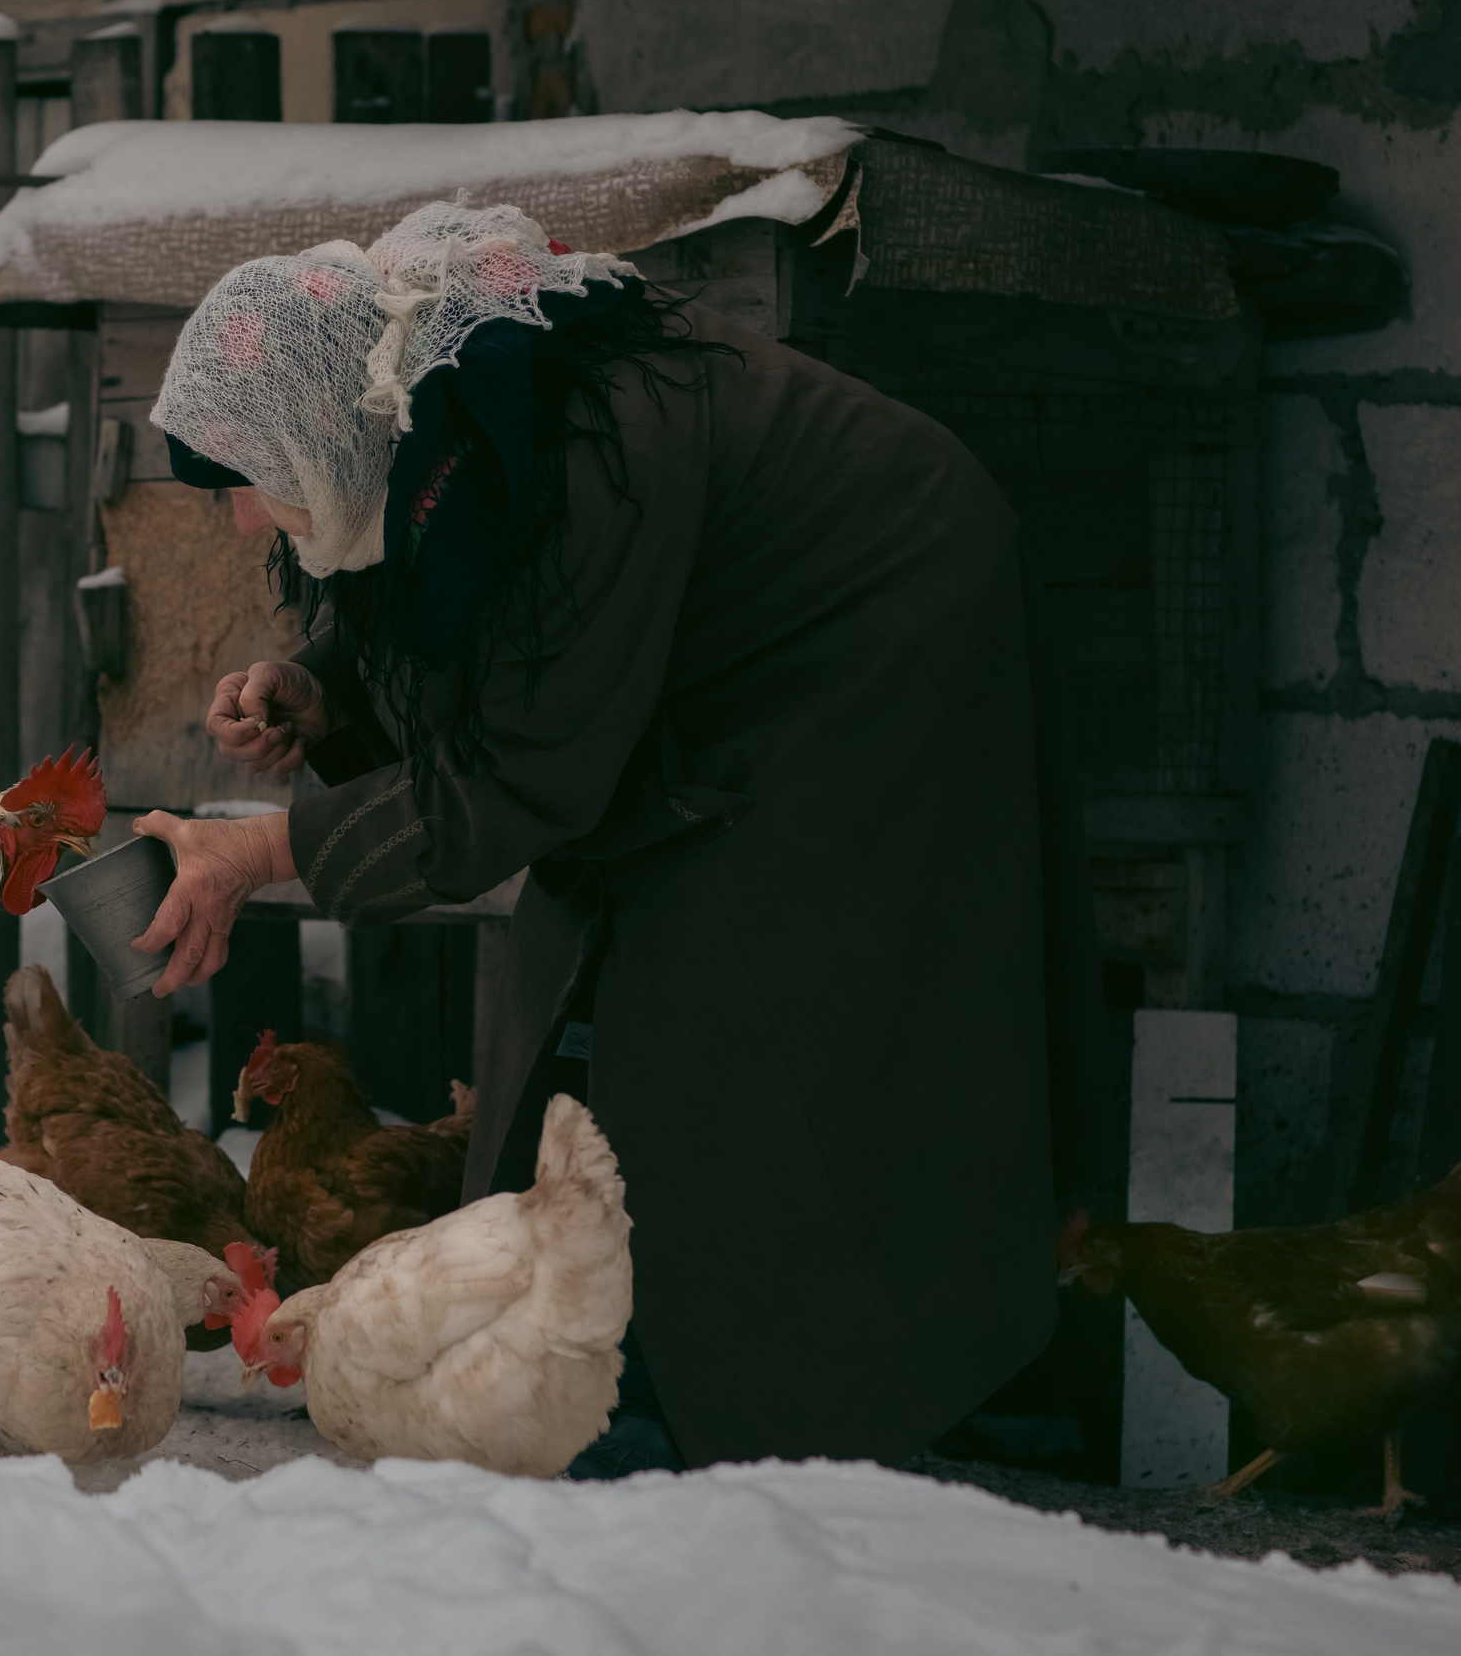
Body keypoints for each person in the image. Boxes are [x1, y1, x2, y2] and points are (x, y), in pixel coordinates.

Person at [127, 201, 1111, 1473]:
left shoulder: (578, 443)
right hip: (753, 661)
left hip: (875, 648)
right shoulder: (441, 413)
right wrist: (333, 691)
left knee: (758, 1008)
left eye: (246, 488)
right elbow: (480, 605)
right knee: (604, 965)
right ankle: (615, 1374)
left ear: (320, 428)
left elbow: (526, 772)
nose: (246, 525)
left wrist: (265, 851)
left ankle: (814, 1417)